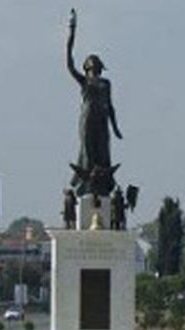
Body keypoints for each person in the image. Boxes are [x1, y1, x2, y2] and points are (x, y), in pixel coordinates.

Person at [66, 9, 123, 197]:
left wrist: (115, 128)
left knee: (103, 151)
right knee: (88, 152)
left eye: (98, 67)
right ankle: (86, 184)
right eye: (94, 67)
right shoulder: (84, 81)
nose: (96, 70)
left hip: (102, 119)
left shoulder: (106, 83)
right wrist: (71, 35)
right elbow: (69, 65)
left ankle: (103, 183)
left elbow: (111, 106)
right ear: (89, 67)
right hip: (88, 118)